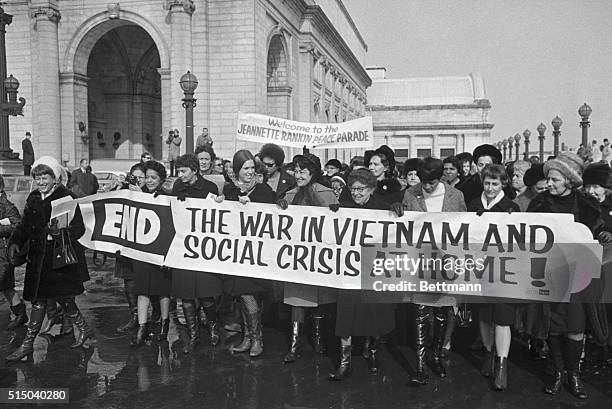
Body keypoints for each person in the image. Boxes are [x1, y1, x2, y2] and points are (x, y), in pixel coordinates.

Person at [528, 152, 608, 399]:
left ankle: (574, 374)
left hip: (578, 276)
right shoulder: (538, 204)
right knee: (552, 326)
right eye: (548, 179)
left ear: (569, 181)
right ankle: (558, 372)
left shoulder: (587, 205)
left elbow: (596, 236)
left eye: (555, 179)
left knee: (575, 327)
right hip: (548, 274)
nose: (549, 184)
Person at [6, 156, 93, 362]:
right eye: (37, 178)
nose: (41, 182)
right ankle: (82, 328)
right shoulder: (34, 197)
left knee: (50, 299)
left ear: (55, 178)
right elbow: (25, 225)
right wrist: (16, 241)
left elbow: (78, 228)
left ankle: (28, 345)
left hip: (57, 258)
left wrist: (61, 233)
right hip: (37, 257)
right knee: (50, 298)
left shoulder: (67, 197)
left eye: (45, 177)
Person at [397, 158, 466, 385]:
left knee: (442, 312)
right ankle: (419, 364)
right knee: (420, 313)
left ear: (442, 177)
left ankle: (435, 356)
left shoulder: (456, 196)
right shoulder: (410, 194)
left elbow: (465, 227)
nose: (426, 186)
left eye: (432, 182)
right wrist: (395, 210)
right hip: (420, 260)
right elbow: (403, 224)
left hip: (446, 261)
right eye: (424, 182)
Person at [328, 169, 396, 380]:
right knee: (346, 314)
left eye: (361, 189)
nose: (356, 193)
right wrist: (330, 214)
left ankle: (372, 351)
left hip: (375, 270)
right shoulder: (343, 209)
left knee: (375, 312)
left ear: (372, 189)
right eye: (353, 188)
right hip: (349, 271)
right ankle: (345, 361)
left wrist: (397, 212)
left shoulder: (384, 209)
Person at [278, 153, 337, 363]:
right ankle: (295, 345)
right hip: (297, 258)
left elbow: (336, 224)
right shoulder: (290, 194)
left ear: (313, 173)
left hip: (319, 256)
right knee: (297, 301)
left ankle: (318, 338)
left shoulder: (327, 193)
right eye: (296, 170)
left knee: (319, 301)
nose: (298, 175)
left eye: (303, 171)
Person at [467, 164, 520, 391]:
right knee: (484, 315)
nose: (490, 188)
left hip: (503, 269)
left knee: (502, 316)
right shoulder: (473, 205)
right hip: (479, 268)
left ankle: (501, 365)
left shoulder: (511, 207)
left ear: (503, 184)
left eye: (495, 184)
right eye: (487, 183)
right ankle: (489, 355)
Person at [224, 150, 276, 357]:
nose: (250, 172)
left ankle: (257, 339)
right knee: (241, 295)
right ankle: (248, 337)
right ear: (237, 170)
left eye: (252, 168)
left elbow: (271, 216)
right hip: (236, 253)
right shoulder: (229, 190)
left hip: (256, 254)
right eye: (246, 168)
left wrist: (251, 206)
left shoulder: (262, 190)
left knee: (250, 295)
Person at [171, 154, 223, 353]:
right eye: (179, 171)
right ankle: (193, 335)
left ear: (194, 170)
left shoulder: (209, 187)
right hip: (183, 247)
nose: (180, 175)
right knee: (186, 295)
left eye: (183, 171)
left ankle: (212, 327)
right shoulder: (178, 186)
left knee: (206, 294)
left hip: (203, 248)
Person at [131, 160, 173, 346]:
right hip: (141, 249)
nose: (149, 181)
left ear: (161, 180)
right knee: (142, 289)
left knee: (162, 290)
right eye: (147, 177)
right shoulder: (137, 194)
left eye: (153, 177)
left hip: (160, 250)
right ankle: (142, 327)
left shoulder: (166, 197)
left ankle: (165, 323)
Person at [115, 163, 147, 334]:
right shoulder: (123, 192)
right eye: (133, 177)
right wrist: (119, 185)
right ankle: (134, 315)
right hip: (126, 245)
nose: (137, 180)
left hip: (145, 246)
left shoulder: (150, 193)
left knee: (149, 283)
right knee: (129, 282)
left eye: (141, 177)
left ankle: (152, 318)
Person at [0, 175, 26, 330]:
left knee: (5, 284)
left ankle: (21, 314)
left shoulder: (7, 206)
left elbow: (17, 225)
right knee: (6, 287)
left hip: (3, 253)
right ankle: (20, 314)